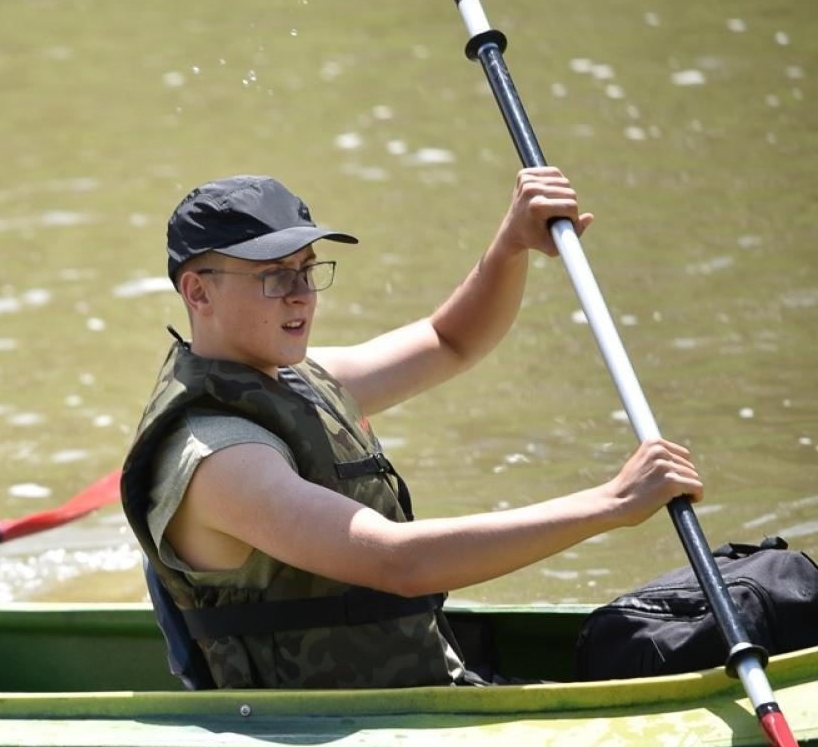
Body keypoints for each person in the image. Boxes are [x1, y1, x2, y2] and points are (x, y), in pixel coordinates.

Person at [121, 170, 703, 690]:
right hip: (333, 745)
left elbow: (449, 341)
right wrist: (612, 502)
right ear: (198, 291)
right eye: (273, 277)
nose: (301, 294)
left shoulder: (297, 379)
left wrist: (511, 245)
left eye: (306, 270)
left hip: (408, 701)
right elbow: (399, 564)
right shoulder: (221, 459)